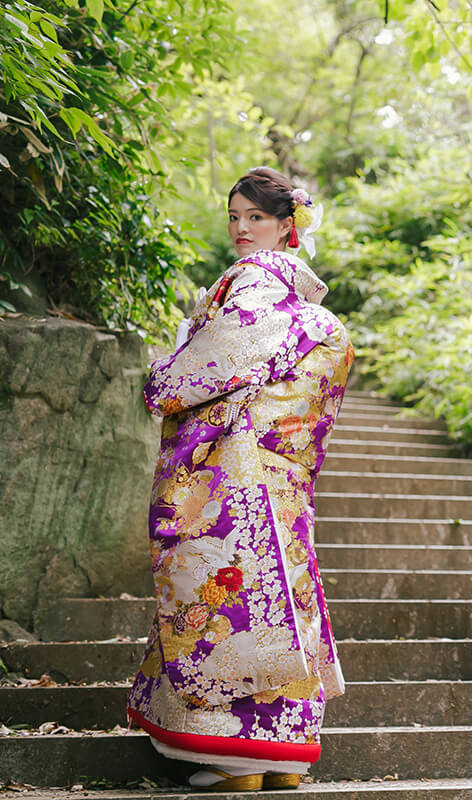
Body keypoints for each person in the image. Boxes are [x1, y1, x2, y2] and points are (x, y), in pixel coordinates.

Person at [126, 167, 352, 791]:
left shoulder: (254, 282)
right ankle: (281, 754)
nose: (241, 229)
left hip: (235, 478)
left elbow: (204, 371)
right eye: (234, 216)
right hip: (280, 483)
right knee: (279, 598)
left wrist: (163, 374)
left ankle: (235, 758)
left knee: (229, 598)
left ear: (287, 226)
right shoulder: (307, 309)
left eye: (255, 217)